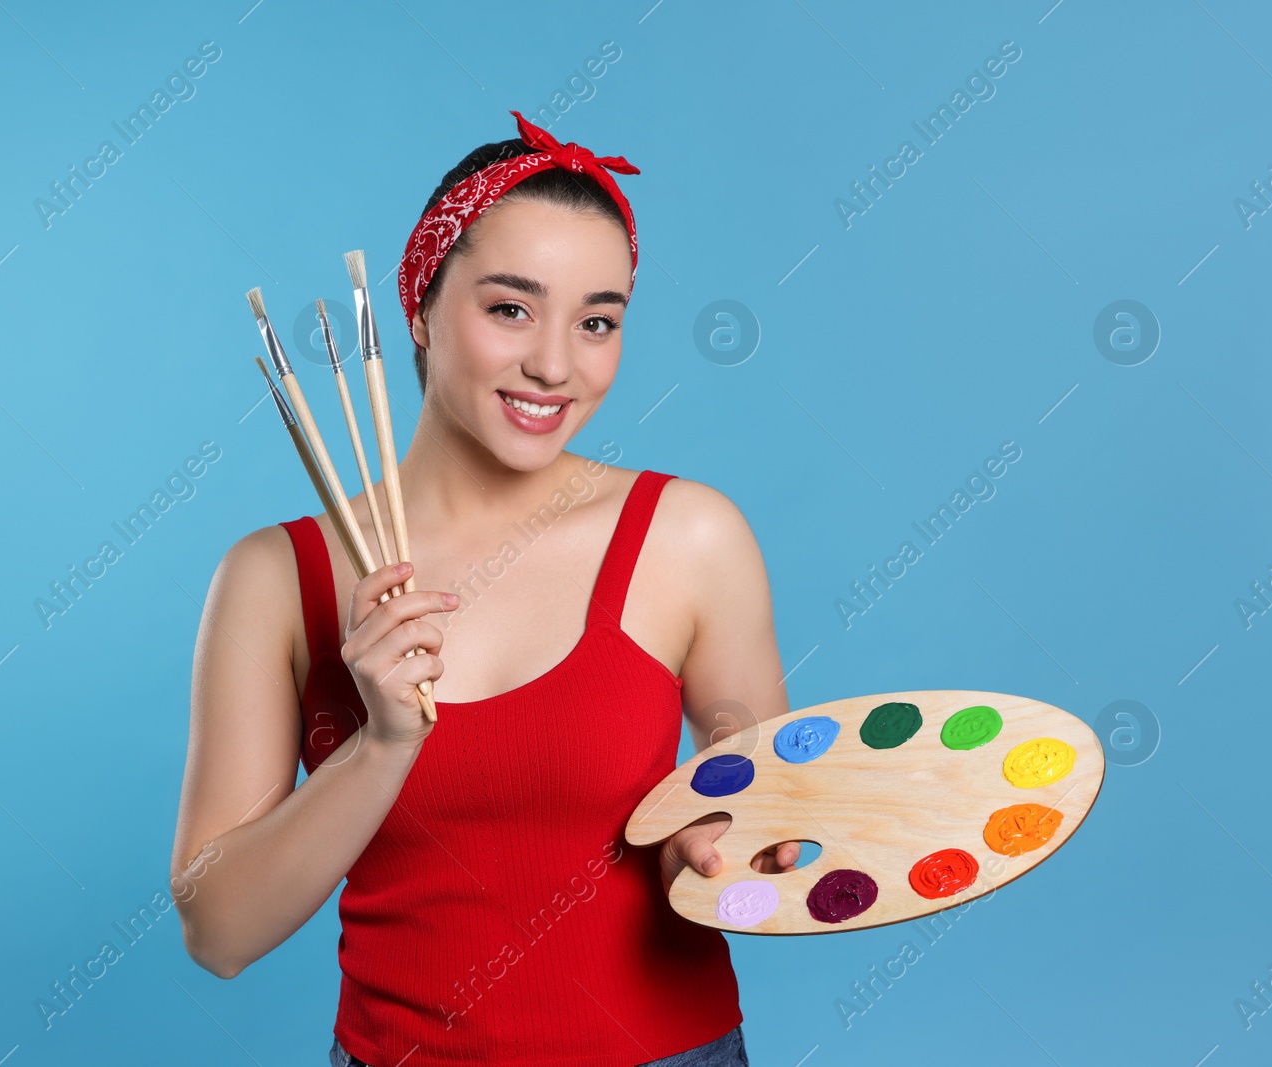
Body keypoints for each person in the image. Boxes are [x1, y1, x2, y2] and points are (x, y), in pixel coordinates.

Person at [170, 110, 801, 1067]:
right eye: (510, 307)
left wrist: (720, 840)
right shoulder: (277, 576)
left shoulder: (690, 537)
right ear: (418, 305)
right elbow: (219, 932)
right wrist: (380, 745)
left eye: (598, 321)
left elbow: (753, 793)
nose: (555, 364)